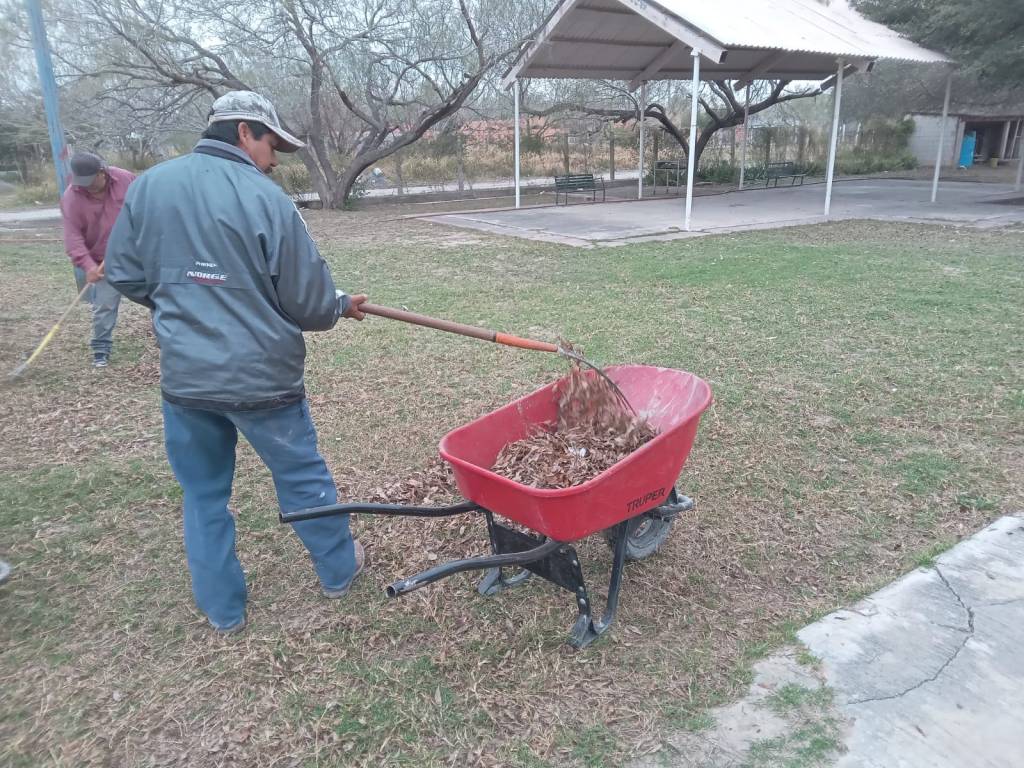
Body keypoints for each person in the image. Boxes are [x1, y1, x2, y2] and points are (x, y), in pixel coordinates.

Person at [104, 91, 368, 635]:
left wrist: (181, 301)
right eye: (273, 145)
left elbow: (125, 274)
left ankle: (224, 610)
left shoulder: (149, 186)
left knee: (203, 494)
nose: (275, 159)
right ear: (245, 132)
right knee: (300, 477)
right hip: (262, 379)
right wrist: (335, 305)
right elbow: (310, 304)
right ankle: (339, 570)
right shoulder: (265, 198)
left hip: (187, 379)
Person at [60, 152, 136, 368]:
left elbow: (146, 205)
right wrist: (89, 266)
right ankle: (101, 350)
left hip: (135, 255)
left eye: (90, 181)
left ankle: (164, 341)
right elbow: (72, 238)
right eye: (81, 182)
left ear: (102, 173)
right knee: (104, 307)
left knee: (158, 297)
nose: (85, 187)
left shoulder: (126, 179)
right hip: (103, 262)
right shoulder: (72, 198)